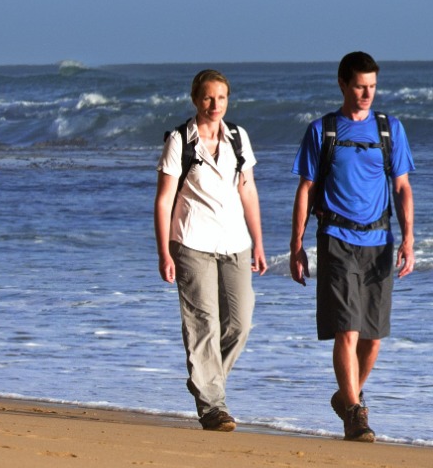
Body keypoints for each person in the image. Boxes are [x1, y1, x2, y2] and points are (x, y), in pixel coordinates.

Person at [288, 50, 415, 442]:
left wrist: (409, 238)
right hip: (336, 239)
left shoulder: (389, 129)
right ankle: (356, 413)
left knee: (373, 336)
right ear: (343, 83)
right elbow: (305, 189)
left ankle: (348, 396)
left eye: (372, 87)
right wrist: (296, 245)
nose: (366, 94)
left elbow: (402, 187)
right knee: (348, 329)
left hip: (380, 241)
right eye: (360, 86)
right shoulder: (322, 130)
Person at [152, 69, 265, 431]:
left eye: (221, 98)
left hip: (236, 243)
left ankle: (205, 380)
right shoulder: (179, 141)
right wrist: (164, 252)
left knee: (239, 323)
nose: (215, 105)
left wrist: (259, 242)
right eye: (207, 98)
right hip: (192, 242)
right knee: (203, 326)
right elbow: (164, 199)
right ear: (195, 99)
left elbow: (247, 191)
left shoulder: (238, 137)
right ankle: (212, 405)